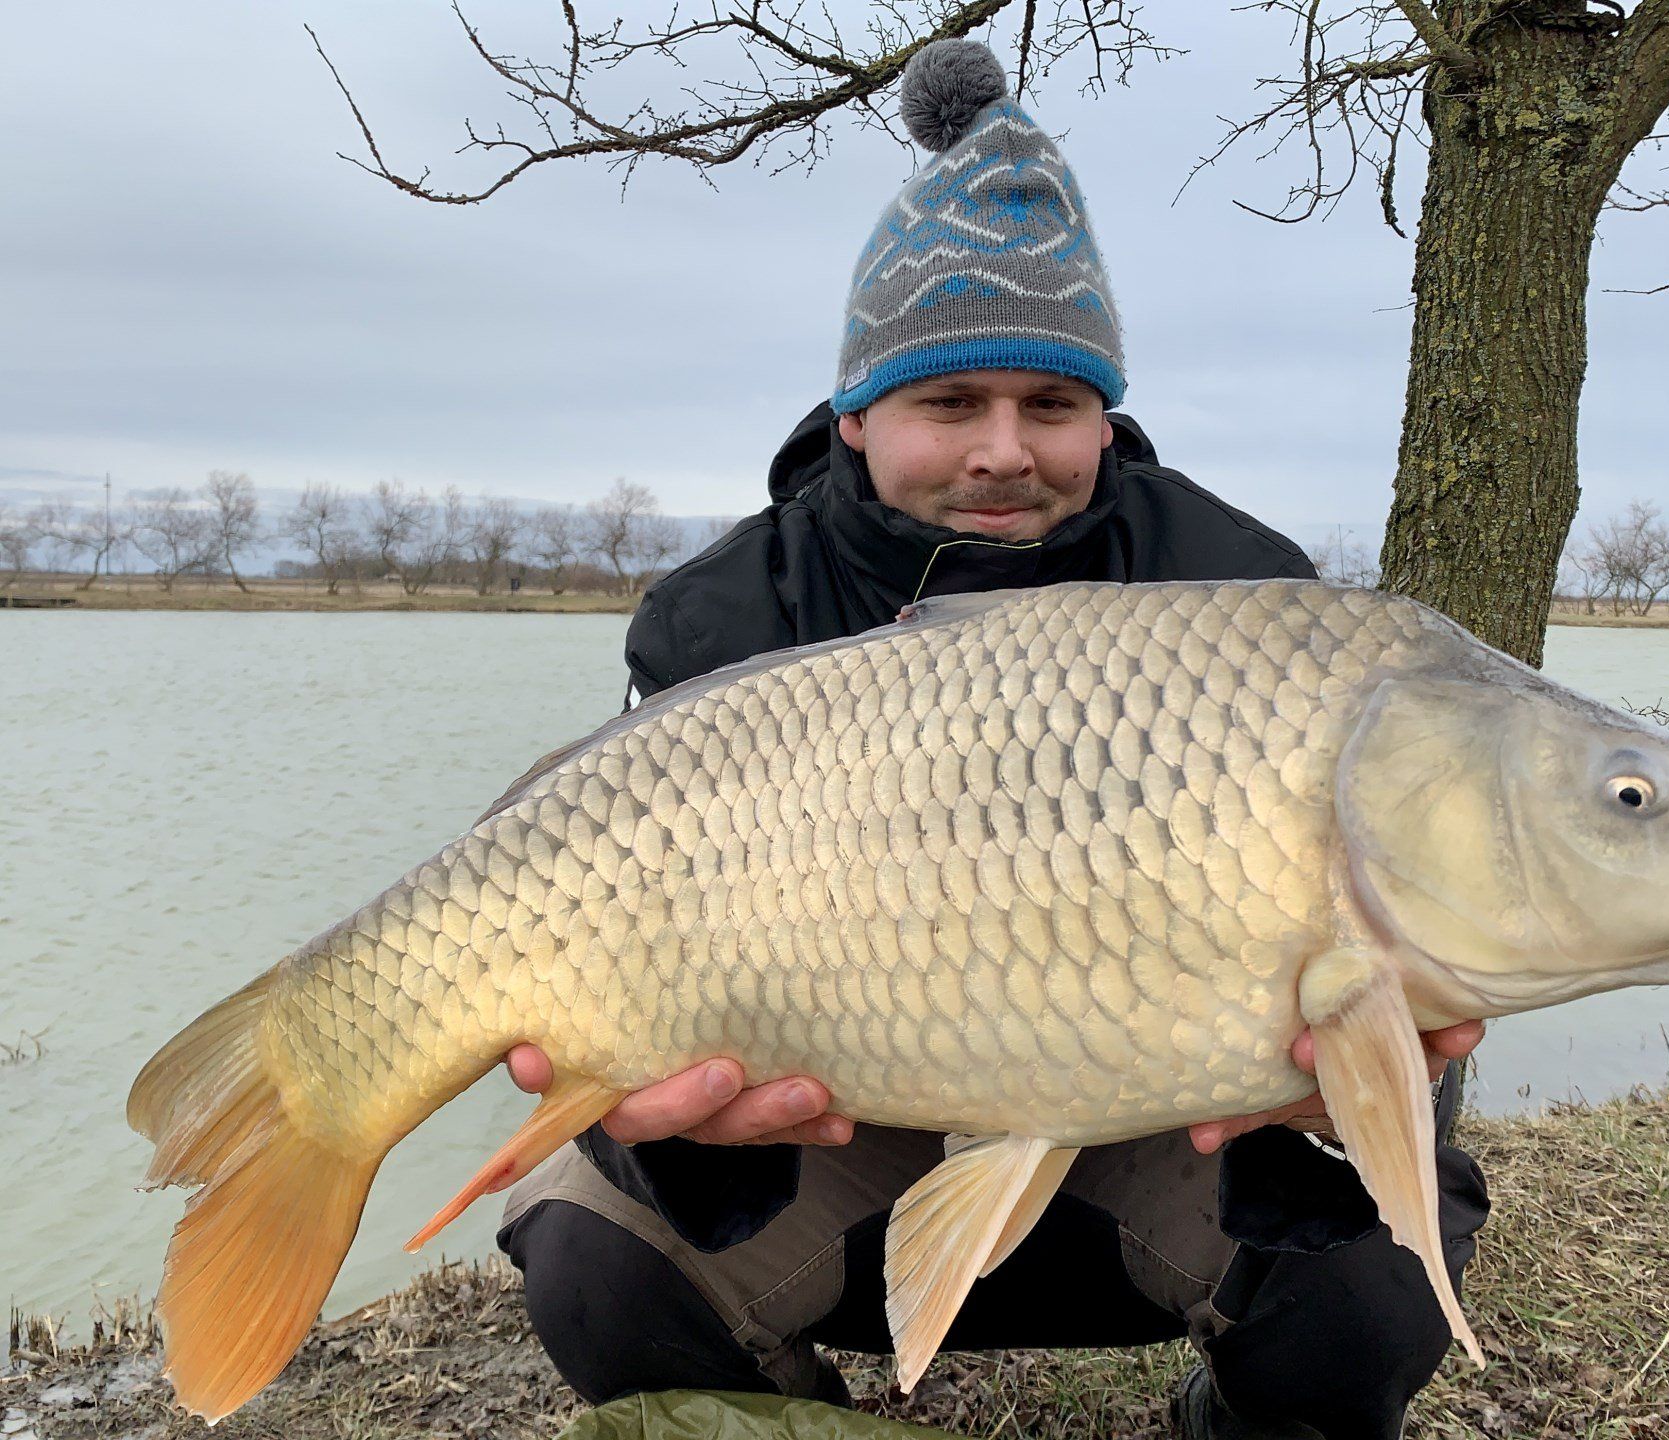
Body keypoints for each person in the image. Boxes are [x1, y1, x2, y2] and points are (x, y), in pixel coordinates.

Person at [498, 39, 1488, 1440]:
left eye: (1054, 404)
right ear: (857, 413)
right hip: (837, 1131)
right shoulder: (723, 617)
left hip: (1153, 1121)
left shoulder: (1245, 594)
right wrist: (658, 1122)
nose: (1005, 451)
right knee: (598, 1256)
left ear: (1106, 415)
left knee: (1384, 1272)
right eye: (951, 403)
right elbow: (608, 964)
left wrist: (1324, 1107)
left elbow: (1376, 992)